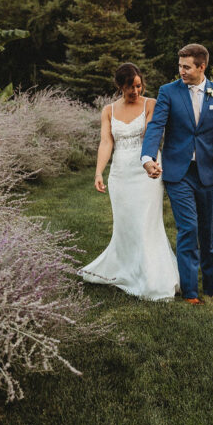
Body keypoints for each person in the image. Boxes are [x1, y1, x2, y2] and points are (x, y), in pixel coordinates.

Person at [141, 43, 213, 303]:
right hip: (178, 173)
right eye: (180, 66)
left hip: (207, 173)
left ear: (201, 67)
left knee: (208, 233)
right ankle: (190, 291)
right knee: (188, 228)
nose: (181, 71)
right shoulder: (168, 92)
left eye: (186, 67)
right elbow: (156, 127)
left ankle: (210, 285)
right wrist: (147, 157)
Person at [79, 62, 180, 300]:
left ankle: (153, 279)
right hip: (120, 175)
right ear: (119, 87)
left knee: (146, 224)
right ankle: (126, 270)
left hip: (147, 172)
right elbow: (106, 142)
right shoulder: (109, 111)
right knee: (125, 226)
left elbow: (152, 134)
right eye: (129, 87)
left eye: (138, 85)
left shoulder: (151, 104)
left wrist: (151, 161)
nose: (135, 91)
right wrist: (98, 172)